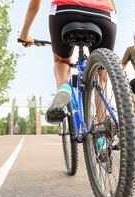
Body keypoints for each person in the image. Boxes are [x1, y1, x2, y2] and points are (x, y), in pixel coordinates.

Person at [20, 0, 117, 154]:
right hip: (104, 14)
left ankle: (63, 87)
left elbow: (34, 5)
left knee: (62, 61)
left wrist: (24, 35)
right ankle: (102, 137)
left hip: (65, 11)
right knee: (101, 74)